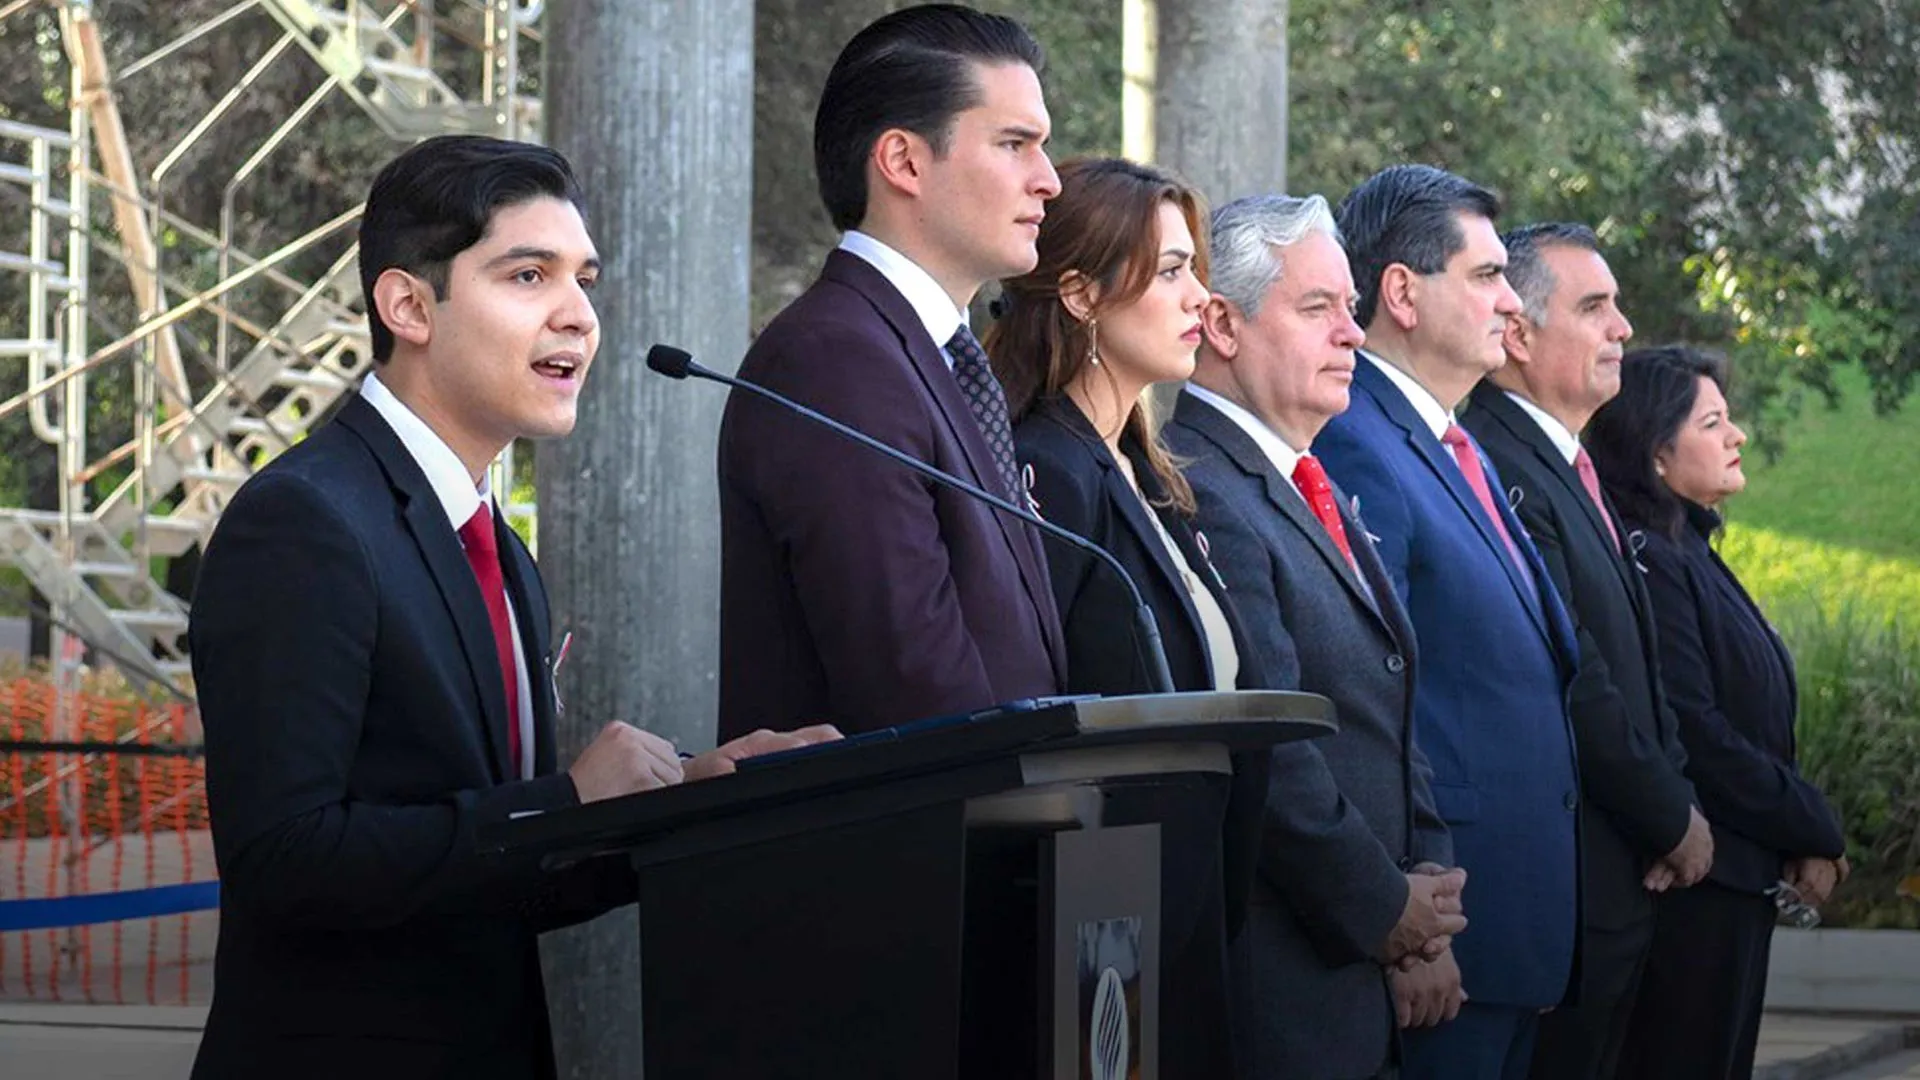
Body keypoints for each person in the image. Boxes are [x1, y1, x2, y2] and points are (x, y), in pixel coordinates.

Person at [188, 135, 835, 1080]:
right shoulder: (306, 521)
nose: (578, 315)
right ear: (409, 305)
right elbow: (284, 861)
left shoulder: (497, 547)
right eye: (528, 275)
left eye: (586, 279)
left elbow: (503, 871)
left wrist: (700, 803)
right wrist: (565, 800)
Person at [1163, 191, 1464, 1080]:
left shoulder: (1307, 476)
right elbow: (1274, 747)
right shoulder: (1202, 487)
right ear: (1222, 322)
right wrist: (1383, 912)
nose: (1355, 336)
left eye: (1353, 310)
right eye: (1318, 307)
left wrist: (1429, 897)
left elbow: (1391, 693)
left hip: (1362, 979)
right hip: (1287, 989)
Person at [717, 4, 1067, 739]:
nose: (1049, 181)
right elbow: (912, 687)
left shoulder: (937, 354)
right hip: (912, 841)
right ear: (904, 161)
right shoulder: (833, 360)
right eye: (1014, 144)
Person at [1312, 165, 1581, 1080]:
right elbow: (1369, 693)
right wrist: (1413, 934)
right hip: (1444, 934)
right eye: (1487, 276)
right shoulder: (1357, 439)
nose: (1513, 302)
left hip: (1514, 927)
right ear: (1402, 293)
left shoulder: (1445, 439)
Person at [985, 154, 1251, 1079]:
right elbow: (1023, 712)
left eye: (1198, 270)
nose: (1200, 300)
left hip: (1176, 901)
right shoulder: (1047, 470)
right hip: (1094, 917)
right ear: (1081, 294)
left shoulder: (1147, 474)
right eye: (1171, 272)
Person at [1459, 224, 1713, 1080]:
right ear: (1520, 336)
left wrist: (1672, 794)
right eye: (1595, 306)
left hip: (1617, 880)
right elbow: (1576, 675)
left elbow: (1639, 665)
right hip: (1573, 888)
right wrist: (1668, 816)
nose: (1624, 328)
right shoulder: (1497, 460)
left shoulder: (1566, 462)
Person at [1588, 345, 1848, 1080]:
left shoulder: (1690, 550)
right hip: (1695, 897)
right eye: (1713, 422)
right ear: (1657, 454)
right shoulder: (1655, 560)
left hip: (1737, 885)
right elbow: (1698, 731)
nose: (1737, 436)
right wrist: (1814, 825)